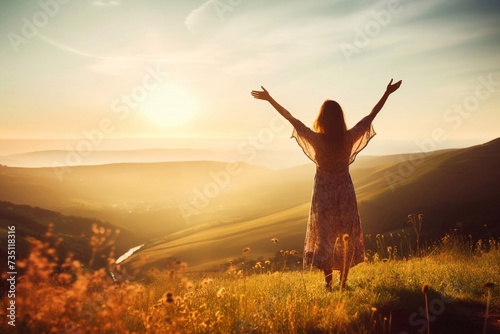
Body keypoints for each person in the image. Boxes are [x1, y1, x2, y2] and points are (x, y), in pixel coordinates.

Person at [251, 79, 402, 290]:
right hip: (345, 193)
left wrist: (270, 100)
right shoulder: (349, 138)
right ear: (340, 118)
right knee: (346, 237)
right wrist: (387, 93)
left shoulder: (317, 140)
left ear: (321, 118)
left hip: (323, 196)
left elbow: (291, 119)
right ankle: (344, 282)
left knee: (325, 239)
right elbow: (371, 116)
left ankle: (329, 284)